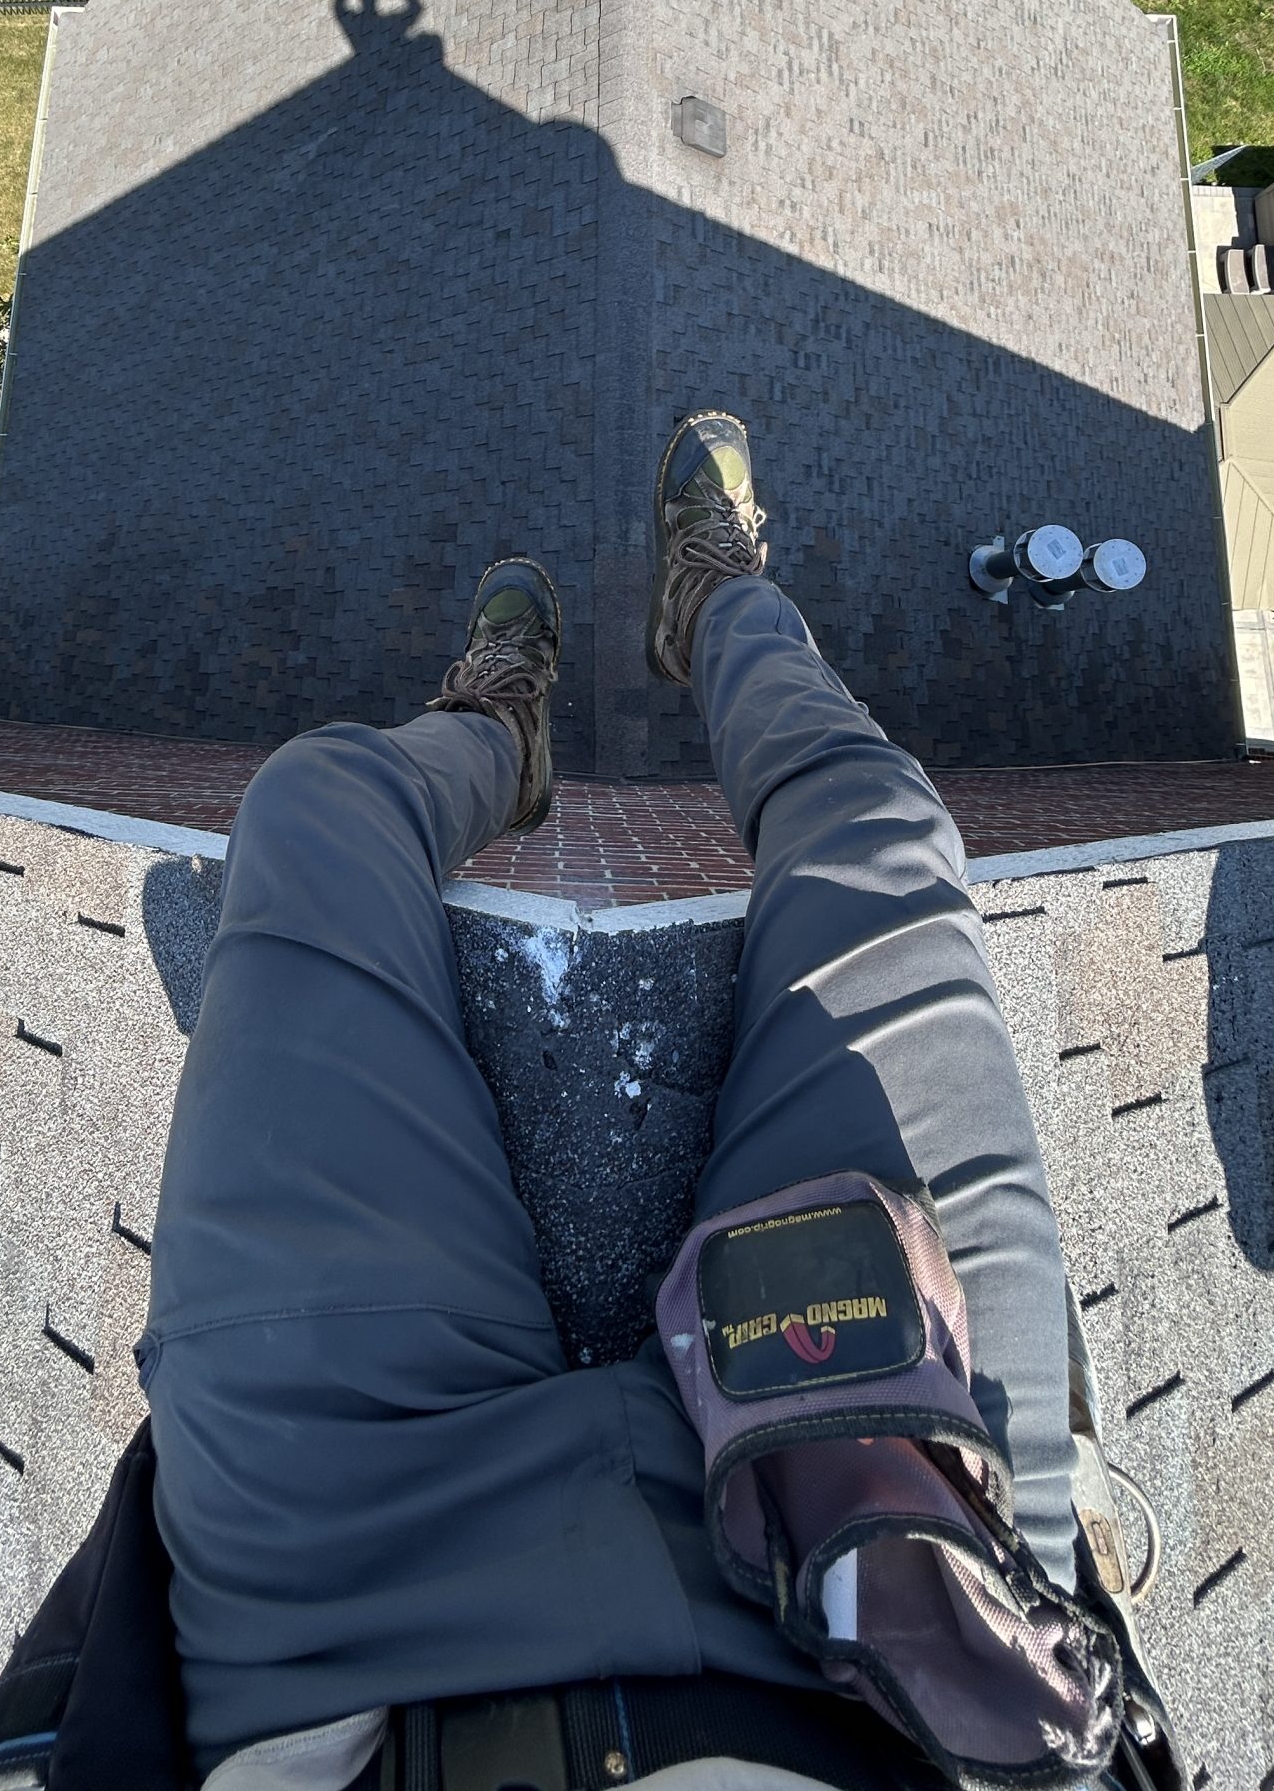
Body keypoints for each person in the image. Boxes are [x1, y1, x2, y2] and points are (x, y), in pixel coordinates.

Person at [120, 413, 1179, 1791]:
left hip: (340, 1615)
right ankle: (719, 601)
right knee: (877, 832)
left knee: (314, 806)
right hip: (908, 1615)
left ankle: (496, 730)